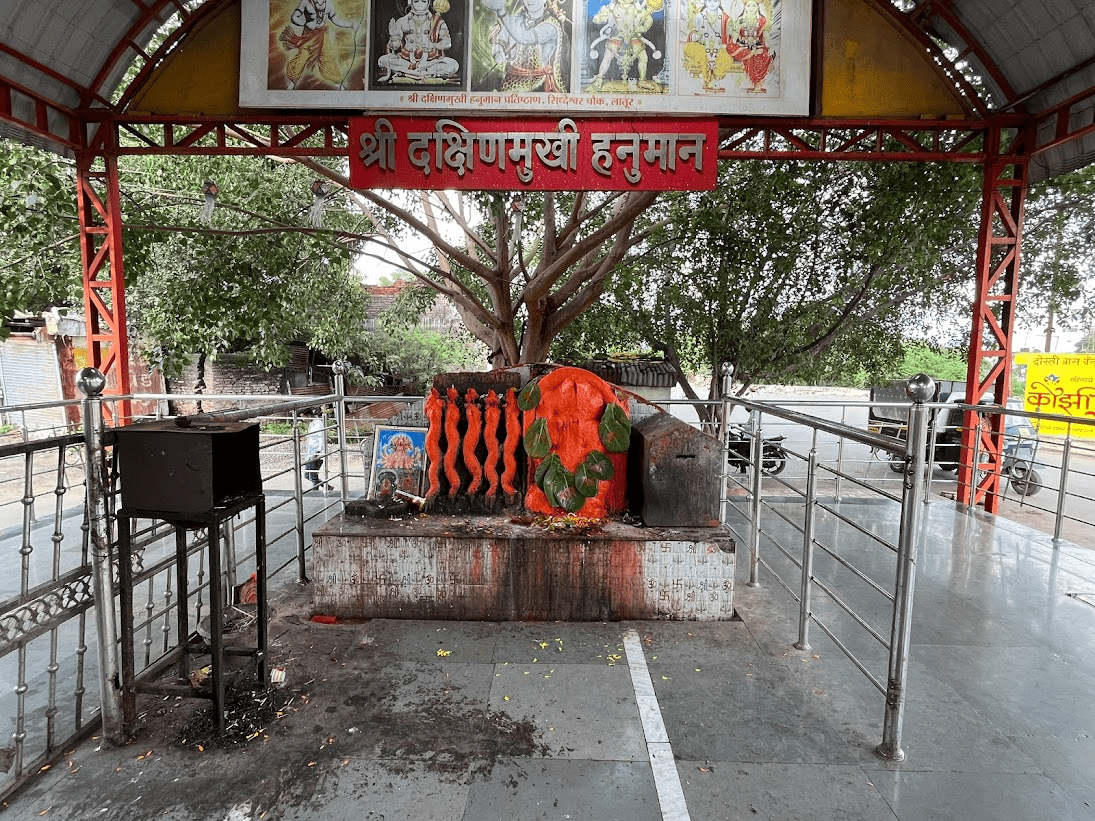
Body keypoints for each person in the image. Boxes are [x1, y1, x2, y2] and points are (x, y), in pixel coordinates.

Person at [480, 0, 568, 93]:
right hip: (511, 82)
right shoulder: (517, 19)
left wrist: (502, 12)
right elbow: (501, 36)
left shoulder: (551, 25)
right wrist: (498, 52)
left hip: (539, 85)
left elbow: (525, 37)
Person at [278, 0, 360, 90]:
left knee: (327, 57)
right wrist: (306, 23)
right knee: (303, 56)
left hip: (322, 34)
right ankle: (292, 83)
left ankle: (339, 84)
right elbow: (294, 17)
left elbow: (336, 19)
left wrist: (351, 24)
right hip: (309, 35)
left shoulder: (328, 3)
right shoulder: (306, 2)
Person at [377, 0, 460, 82]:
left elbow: (447, 43)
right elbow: (395, 46)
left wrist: (433, 45)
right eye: (416, 1)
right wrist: (394, 36)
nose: (420, 5)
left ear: (428, 3)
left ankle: (410, 72)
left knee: (453, 65)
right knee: (382, 61)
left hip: (430, 60)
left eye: (423, 1)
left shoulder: (438, 21)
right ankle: (421, 71)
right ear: (411, 2)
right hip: (406, 59)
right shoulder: (402, 21)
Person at [725, 0, 773, 93]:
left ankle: (758, 85)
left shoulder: (762, 20)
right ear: (745, 7)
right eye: (749, 6)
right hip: (743, 46)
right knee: (729, 47)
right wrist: (735, 29)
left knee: (765, 54)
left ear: (758, 7)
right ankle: (751, 53)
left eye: (754, 6)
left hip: (757, 46)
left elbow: (765, 36)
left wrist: (770, 46)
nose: (751, 8)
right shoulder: (740, 20)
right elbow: (734, 39)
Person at [303, 409, 332, 491]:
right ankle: (327, 486)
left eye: (303, 417)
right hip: (310, 452)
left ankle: (314, 493)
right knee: (307, 475)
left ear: (307, 415)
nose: (302, 419)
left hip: (315, 452)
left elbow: (321, 438)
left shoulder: (318, 423)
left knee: (312, 476)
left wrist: (318, 451)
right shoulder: (311, 424)